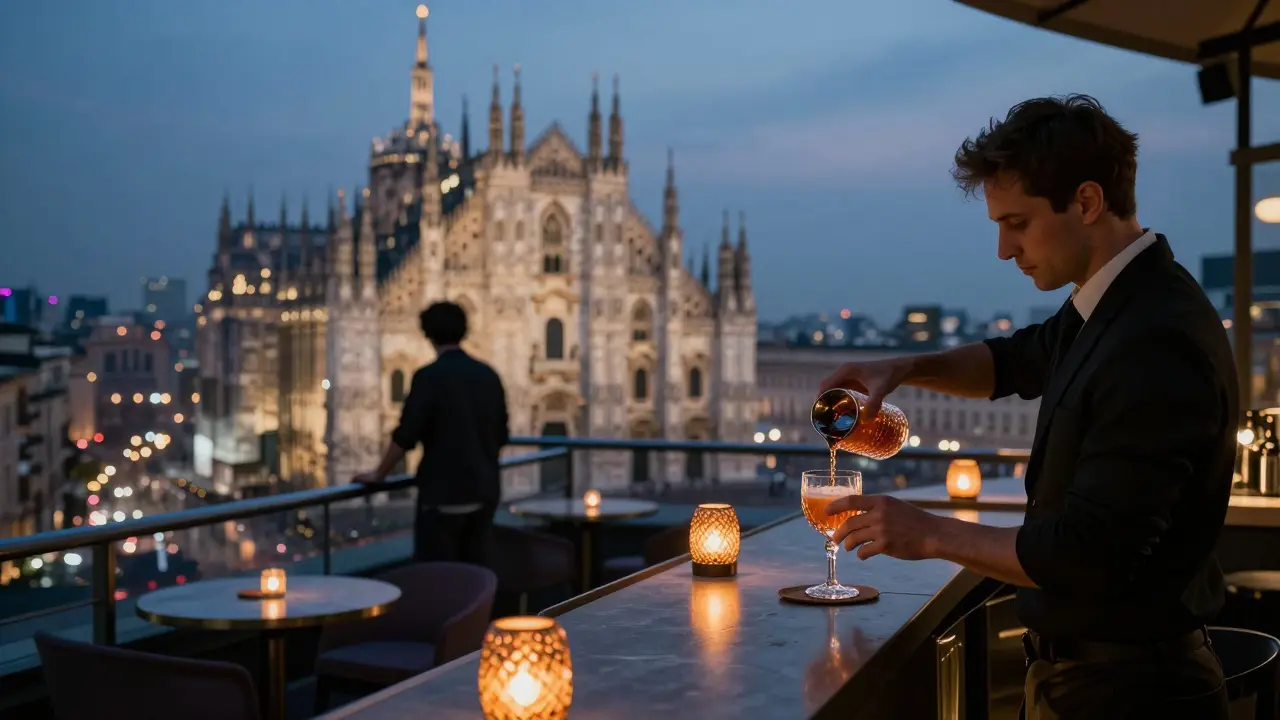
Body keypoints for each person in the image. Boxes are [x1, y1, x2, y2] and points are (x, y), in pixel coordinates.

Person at [820, 95, 1238, 719]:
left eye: (1016, 222)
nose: (1003, 249)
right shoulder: (1114, 303)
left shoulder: (1154, 337)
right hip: (1092, 679)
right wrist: (904, 367)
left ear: (1088, 202)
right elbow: (1012, 361)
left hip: (1128, 694)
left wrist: (928, 531)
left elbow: (1086, 556)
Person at [355, 301, 509, 567]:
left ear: (427, 335)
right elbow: (502, 434)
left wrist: (379, 474)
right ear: (464, 331)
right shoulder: (488, 375)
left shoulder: (428, 377)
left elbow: (406, 436)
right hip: (484, 494)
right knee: (477, 575)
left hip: (443, 496)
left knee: (439, 575)